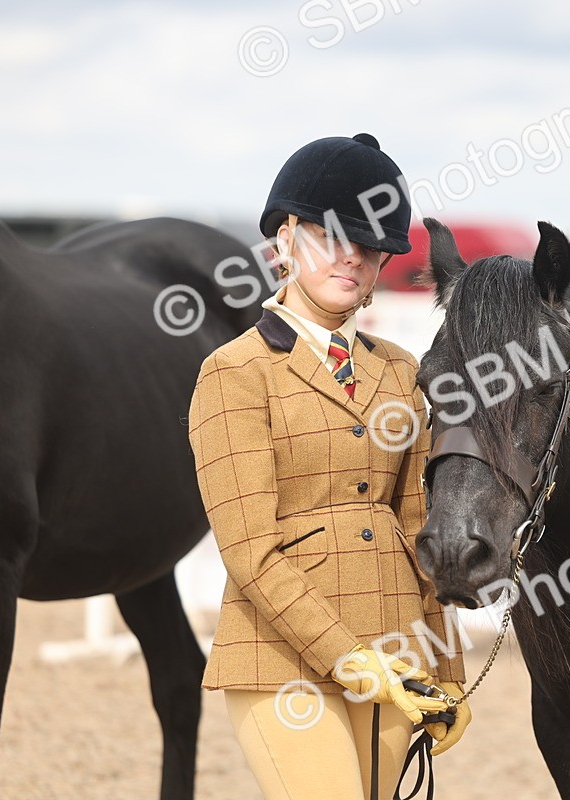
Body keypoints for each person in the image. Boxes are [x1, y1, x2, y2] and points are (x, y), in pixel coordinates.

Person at [187, 133, 469, 800]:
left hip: (398, 651)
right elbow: (250, 550)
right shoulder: (233, 374)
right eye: (331, 235)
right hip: (281, 660)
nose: (353, 257)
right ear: (286, 239)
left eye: (371, 246)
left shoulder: (400, 370)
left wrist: (446, 666)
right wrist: (348, 655)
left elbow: (417, 527)